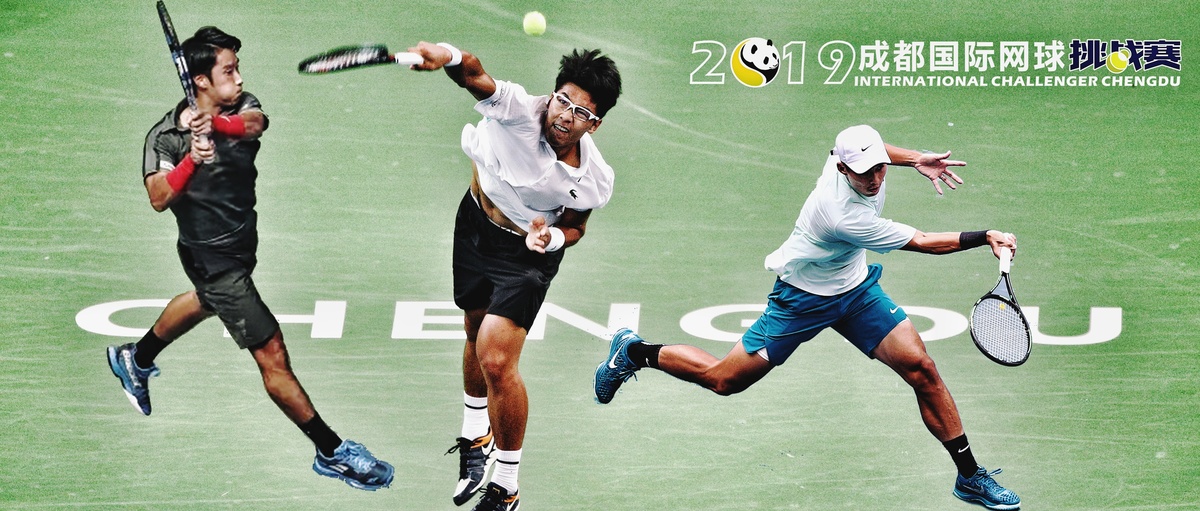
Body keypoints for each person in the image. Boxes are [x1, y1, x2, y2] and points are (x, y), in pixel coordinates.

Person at [594, 125, 1022, 510]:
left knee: (922, 369)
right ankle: (634, 352)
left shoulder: (857, 156)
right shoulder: (842, 216)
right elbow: (925, 241)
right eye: (863, 173)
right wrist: (985, 236)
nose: (874, 179)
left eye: (879, 167)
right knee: (724, 380)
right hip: (802, 299)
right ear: (841, 168)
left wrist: (913, 159)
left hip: (855, 290)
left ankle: (970, 476)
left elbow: (877, 150)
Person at [106, 26, 394, 492]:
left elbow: (255, 124)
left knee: (205, 301)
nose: (239, 79)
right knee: (272, 355)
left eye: (237, 68)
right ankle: (331, 451)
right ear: (200, 80)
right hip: (213, 260)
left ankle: (135, 358)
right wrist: (191, 160)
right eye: (228, 71)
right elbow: (158, 197)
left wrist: (213, 127)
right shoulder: (164, 138)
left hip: (240, 245)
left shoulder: (241, 106)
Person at [407, 41, 622, 510]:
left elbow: (576, 226)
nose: (565, 116)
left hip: (526, 256)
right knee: (473, 327)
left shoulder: (593, 177)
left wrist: (553, 238)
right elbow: (473, 73)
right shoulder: (518, 109)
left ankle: (506, 485)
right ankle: (475, 435)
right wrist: (446, 56)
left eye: (581, 113)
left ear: (594, 124)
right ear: (552, 95)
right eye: (563, 101)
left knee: (497, 360)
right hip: (474, 224)